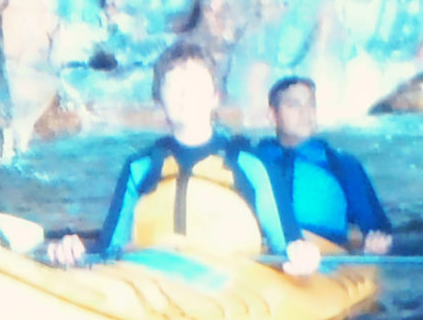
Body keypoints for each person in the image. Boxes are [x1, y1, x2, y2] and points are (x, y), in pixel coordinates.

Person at [46, 43, 321, 274]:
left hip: (232, 283)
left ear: (215, 97)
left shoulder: (249, 164)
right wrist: (74, 249)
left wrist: (301, 253)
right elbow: (110, 248)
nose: (186, 94)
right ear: (158, 99)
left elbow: (287, 243)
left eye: (195, 85)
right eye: (173, 85)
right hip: (153, 278)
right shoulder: (140, 167)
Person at [251, 75, 395, 255]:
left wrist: (376, 243)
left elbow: (377, 228)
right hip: (266, 255)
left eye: (311, 105)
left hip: (326, 255)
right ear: (273, 116)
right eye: (293, 105)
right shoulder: (253, 161)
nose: (306, 113)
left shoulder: (342, 166)